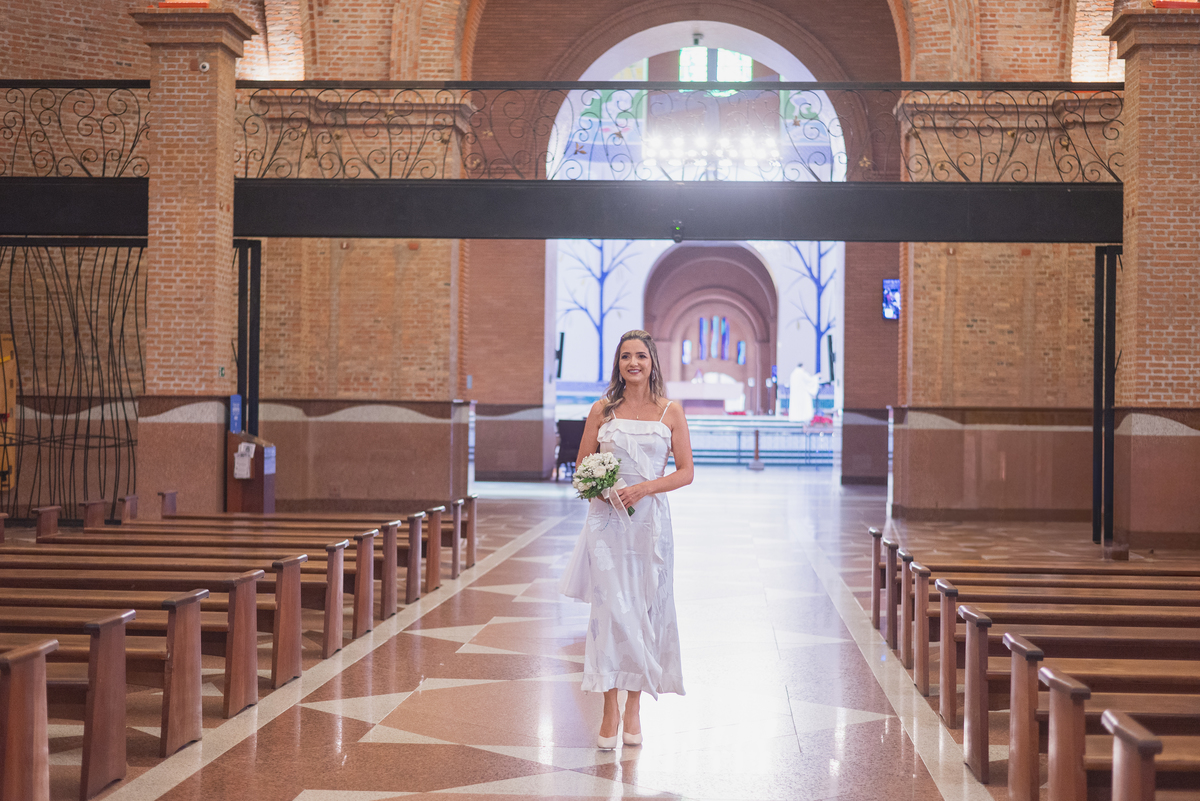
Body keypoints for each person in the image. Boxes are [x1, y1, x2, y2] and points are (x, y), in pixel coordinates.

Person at [559, 329, 694, 750]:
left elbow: (686, 471)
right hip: (605, 525)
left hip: (649, 526)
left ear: (652, 361)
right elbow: (581, 465)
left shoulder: (670, 411)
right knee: (610, 615)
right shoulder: (602, 410)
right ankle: (608, 708)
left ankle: (634, 706)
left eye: (640, 356)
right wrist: (600, 488)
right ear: (617, 364)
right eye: (624, 357)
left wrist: (645, 488)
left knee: (642, 612)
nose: (632, 363)